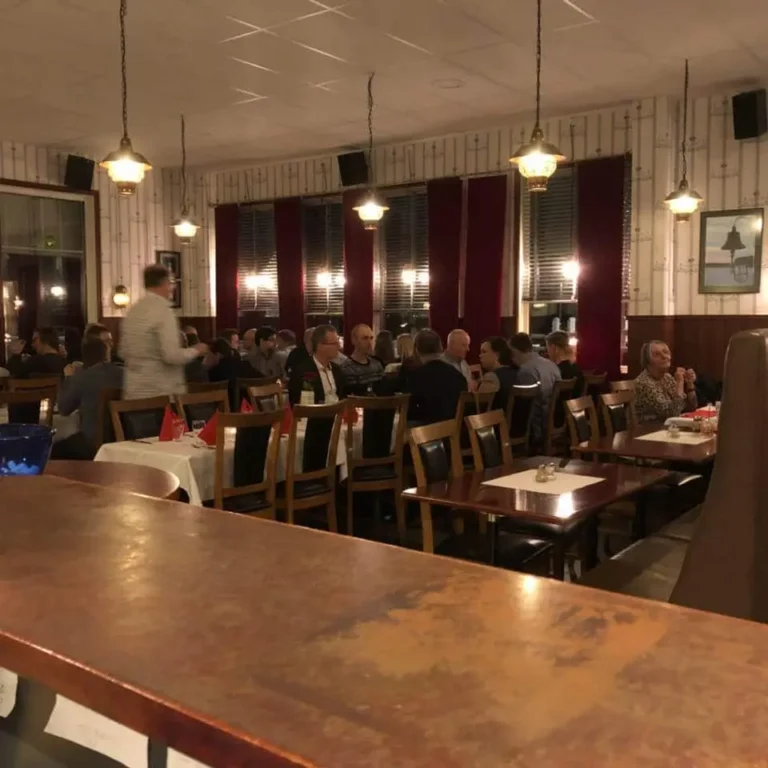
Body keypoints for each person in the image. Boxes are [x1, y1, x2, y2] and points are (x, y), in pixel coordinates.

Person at [120, 265, 207, 399]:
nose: (172, 287)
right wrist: (196, 350)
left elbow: (123, 352)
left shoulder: (133, 311)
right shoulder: (163, 311)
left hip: (134, 393)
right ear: (165, 283)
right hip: (160, 393)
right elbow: (171, 356)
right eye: (171, 282)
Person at [54, 338, 124, 459]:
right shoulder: (124, 374)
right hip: (121, 438)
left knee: (54, 449)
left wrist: (69, 378)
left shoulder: (82, 378)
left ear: (85, 358)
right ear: (106, 354)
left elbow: (63, 409)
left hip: (90, 443)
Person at [402, 328, 467, 425]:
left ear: (417, 350)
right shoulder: (458, 375)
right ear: (440, 348)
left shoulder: (416, 377)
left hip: (426, 431)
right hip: (454, 430)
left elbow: (408, 410)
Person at [509, 332, 561, 446]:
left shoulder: (526, 370)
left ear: (514, 351)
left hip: (538, 429)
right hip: (555, 421)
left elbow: (524, 408)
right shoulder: (551, 365)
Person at [635, 340, 697, 423]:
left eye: (666, 352)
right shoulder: (643, 383)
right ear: (648, 362)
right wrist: (679, 382)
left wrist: (690, 384)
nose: (664, 356)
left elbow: (691, 407)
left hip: (669, 426)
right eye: (657, 354)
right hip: (651, 429)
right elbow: (672, 413)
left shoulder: (667, 377)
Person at [287, 325, 347, 406]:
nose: (339, 347)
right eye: (334, 344)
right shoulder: (302, 371)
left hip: (337, 412)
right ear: (320, 346)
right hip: (316, 413)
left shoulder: (336, 369)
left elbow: (342, 397)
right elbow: (297, 403)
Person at [478, 336, 519, 412]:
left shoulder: (491, 377)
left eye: (484, 352)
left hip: (495, 419)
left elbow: (478, 408)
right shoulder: (518, 373)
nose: (480, 356)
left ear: (497, 355)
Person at [341, 324, 385, 395]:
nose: (369, 342)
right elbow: (355, 395)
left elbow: (385, 388)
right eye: (365, 338)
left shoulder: (377, 363)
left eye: (371, 338)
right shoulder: (347, 367)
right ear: (354, 340)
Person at [546, 331, 584, 397]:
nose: (547, 351)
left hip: (559, 403)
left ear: (554, 348)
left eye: (548, 347)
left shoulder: (556, 371)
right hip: (575, 403)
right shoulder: (576, 368)